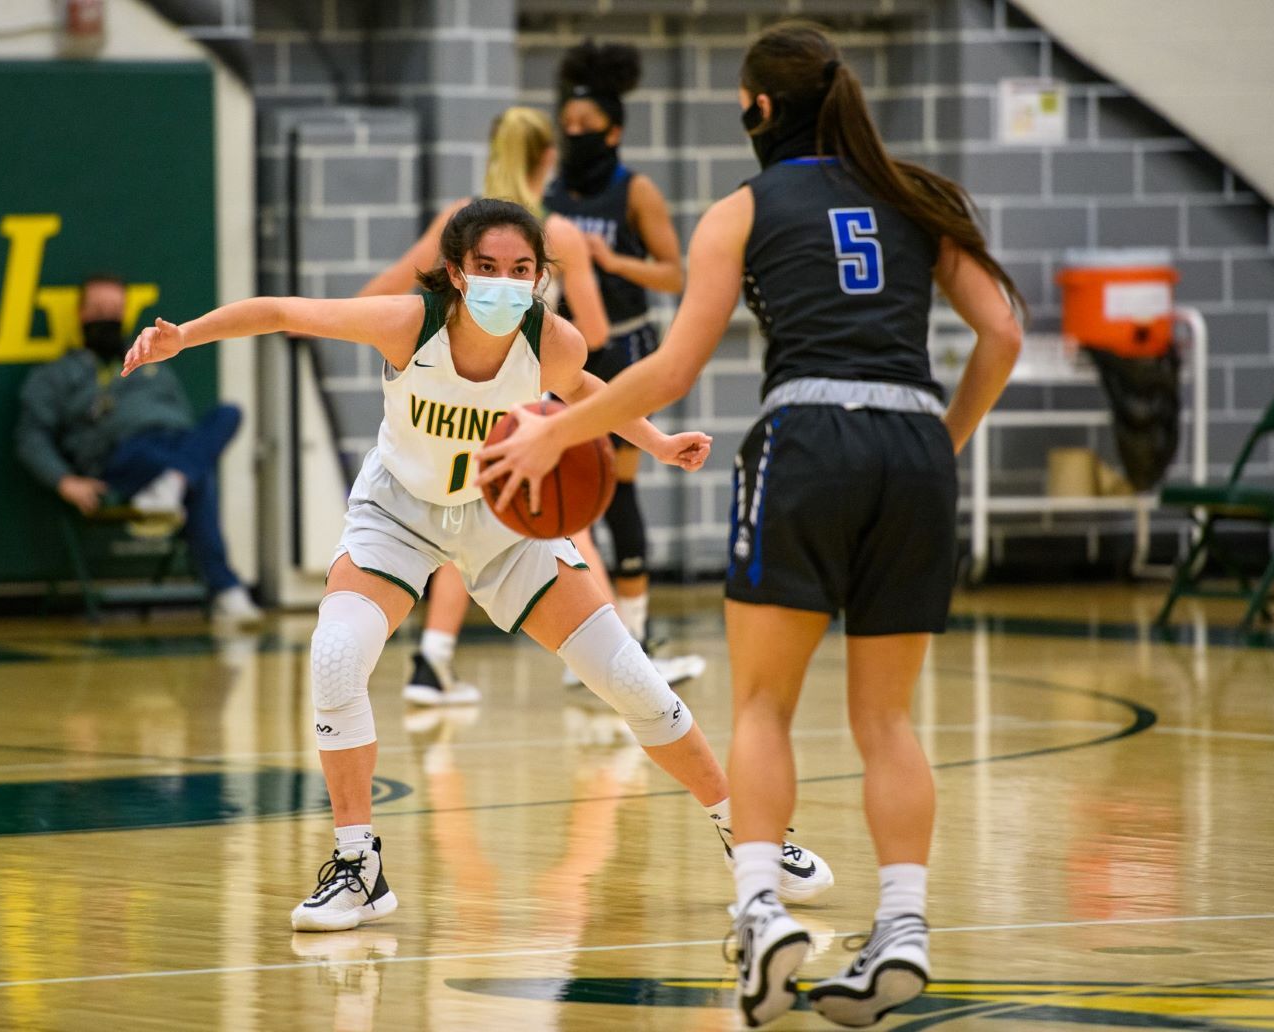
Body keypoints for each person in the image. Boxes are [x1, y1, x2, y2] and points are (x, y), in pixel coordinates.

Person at [477, 23, 1024, 1028]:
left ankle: (762, 912)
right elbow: (1003, 332)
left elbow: (670, 372)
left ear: (759, 110)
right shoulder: (918, 195)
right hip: (912, 448)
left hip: (805, 439)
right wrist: (943, 438)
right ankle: (902, 925)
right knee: (888, 719)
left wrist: (559, 438)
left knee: (765, 706)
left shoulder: (742, 209)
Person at [121, 198, 834, 933]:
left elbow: (586, 394)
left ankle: (750, 834)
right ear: (457, 273)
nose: (504, 281)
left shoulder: (553, 341)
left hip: (504, 518)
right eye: (487, 268)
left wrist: (653, 443)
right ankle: (357, 863)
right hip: (400, 509)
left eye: (521, 269)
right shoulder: (409, 323)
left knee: (631, 680)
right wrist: (188, 335)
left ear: (539, 276)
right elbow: (281, 311)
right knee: (335, 656)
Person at [358, 106, 698, 703]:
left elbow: (392, 279)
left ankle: (434, 658)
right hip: (526, 403)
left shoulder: (457, 223)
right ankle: (611, 654)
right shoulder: (556, 233)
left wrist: (339, 318)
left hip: (445, 391)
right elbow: (592, 331)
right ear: (549, 160)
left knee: (462, 510)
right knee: (562, 518)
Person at [545, 41, 692, 665]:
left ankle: (634, 631)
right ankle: (588, 632)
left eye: (587, 127)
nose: (574, 134)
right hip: (561, 348)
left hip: (626, 345)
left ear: (615, 131)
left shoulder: (637, 191)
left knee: (620, 490)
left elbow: (674, 274)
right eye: (567, 125)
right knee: (566, 487)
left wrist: (611, 261)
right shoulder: (549, 193)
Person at [15, 273, 260, 623]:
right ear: (81, 315)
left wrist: (178, 455)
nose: (107, 318)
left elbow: (184, 417)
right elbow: (30, 437)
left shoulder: (153, 365)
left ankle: (172, 480)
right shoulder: (55, 375)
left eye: (115, 310)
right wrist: (65, 482)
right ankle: (226, 587)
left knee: (228, 414)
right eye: (99, 309)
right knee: (198, 475)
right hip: (117, 460)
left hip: (171, 443)